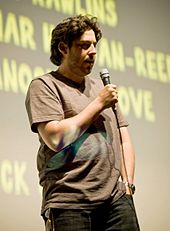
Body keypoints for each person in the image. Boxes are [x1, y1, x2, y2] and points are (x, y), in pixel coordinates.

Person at [25, 14, 140, 231]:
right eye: (84, 45)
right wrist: (99, 103)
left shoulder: (100, 88)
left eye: (94, 45)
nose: (93, 51)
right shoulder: (45, 86)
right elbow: (56, 138)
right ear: (63, 48)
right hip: (69, 202)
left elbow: (124, 138)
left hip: (116, 200)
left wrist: (128, 186)